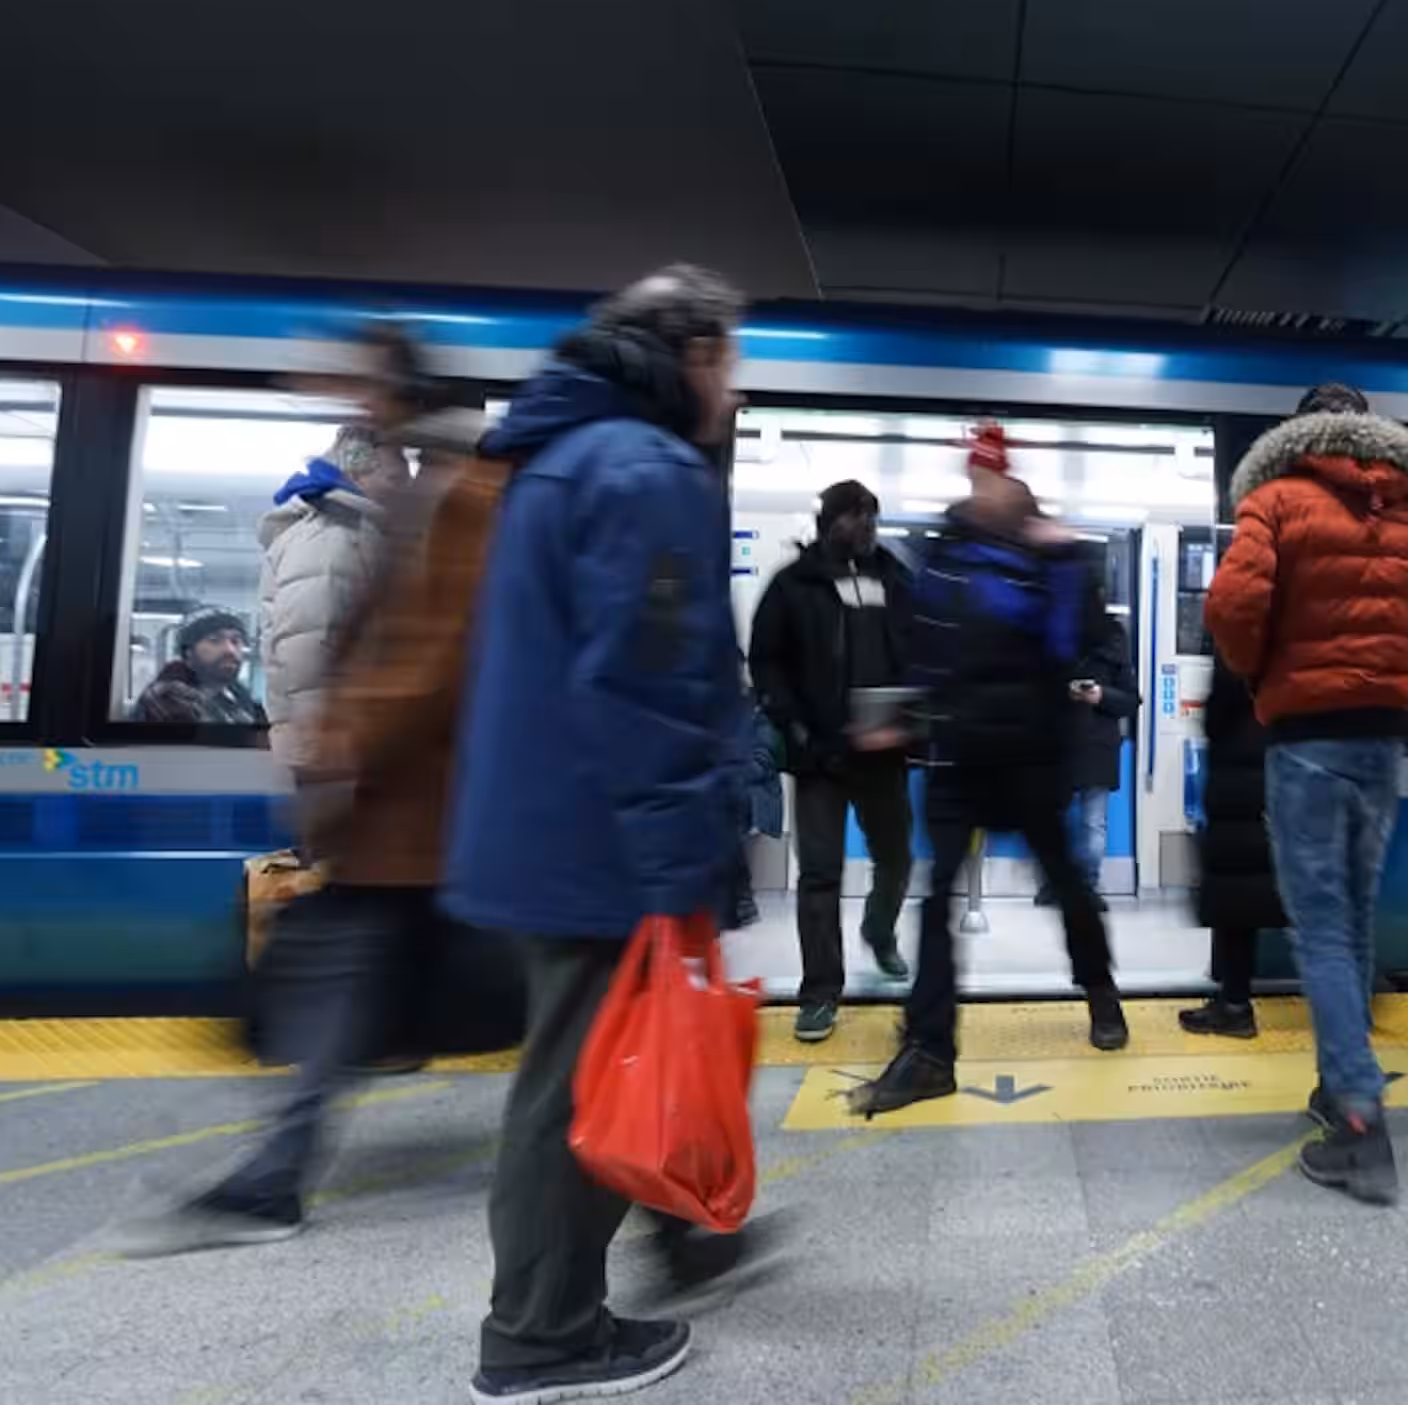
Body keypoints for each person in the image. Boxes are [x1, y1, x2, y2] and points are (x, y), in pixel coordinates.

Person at [111, 354, 509, 1261]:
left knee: (545, 994)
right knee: (354, 983)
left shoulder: (450, 499)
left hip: (417, 807)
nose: (344, 406)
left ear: (404, 408)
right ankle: (274, 1177)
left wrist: (341, 746)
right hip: (403, 814)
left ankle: (662, 1211)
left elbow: (420, 659)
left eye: (362, 391)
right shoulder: (392, 509)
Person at [444, 265, 750, 1402]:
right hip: (603, 838)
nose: (733, 390)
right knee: (581, 1088)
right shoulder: (646, 467)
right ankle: (541, 1334)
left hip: (549, 823)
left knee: (564, 1077)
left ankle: (560, 1306)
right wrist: (684, 858)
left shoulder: (559, 459)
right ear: (696, 355)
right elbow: (650, 678)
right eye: (732, 363)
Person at [1205, 381, 1408, 1205]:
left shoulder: (1276, 501)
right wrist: (1392, 691)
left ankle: (1359, 1120)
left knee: (1319, 928)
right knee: (1352, 919)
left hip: (1306, 739)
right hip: (1384, 739)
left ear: (1298, 430)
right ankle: (1335, 1083)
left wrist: (1268, 676)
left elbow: (1232, 609)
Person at [847, 424, 1128, 1116]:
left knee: (1067, 886)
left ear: (1014, 486)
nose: (982, 488)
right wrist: (907, 715)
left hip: (1031, 758)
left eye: (992, 477)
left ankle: (1100, 992)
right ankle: (931, 1050)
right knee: (937, 898)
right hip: (961, 756)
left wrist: (1065, 569)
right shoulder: (943, 558)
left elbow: (1072, 644)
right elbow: (926, 651)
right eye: (976, 476)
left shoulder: (1051, 562)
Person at [748, 479, 915, 1042]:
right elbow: (766, 660)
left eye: (872, 516)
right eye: (857, 516)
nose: (868, 526)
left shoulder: (895, 577)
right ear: (830, 520)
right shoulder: (795, 584)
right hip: (820, 753)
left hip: (885, 751)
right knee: (820, 876)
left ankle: (879, 928)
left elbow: (920, 649)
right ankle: (820, 991)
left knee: (896, 858)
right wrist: (792, 723)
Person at [259, 424, 404, 782]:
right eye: (394, 475)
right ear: (357, 469)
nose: (404, 486)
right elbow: (310, 643)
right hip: (336, 747)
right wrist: (326, 742)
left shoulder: (349, 532)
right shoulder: (333, 539)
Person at [1177, 664, 1285, 1039]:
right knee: (1246, 903)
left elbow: (1216, 719)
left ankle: (1236, 1006)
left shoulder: (1239, 657)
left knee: (1236, 905)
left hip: (1237, 791)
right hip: (1264, 784)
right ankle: (1234, 1001)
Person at [1045, 613, 1139, 909]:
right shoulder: (1114, 642)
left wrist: (1097, 696)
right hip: (1079, 744)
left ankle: (1070, 885)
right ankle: (1080, 887)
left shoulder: (1056, 634)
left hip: (1077, 743)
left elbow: (1131, 701)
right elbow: (1129, 699)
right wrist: (1100, 696)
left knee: (1073, 820)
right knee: (1090, 822)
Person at [132, 605, 267, 725]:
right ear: (189, 652)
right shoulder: (170, 700)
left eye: (235, 641)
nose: (229, 650)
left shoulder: (235, 694)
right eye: (214, 640)